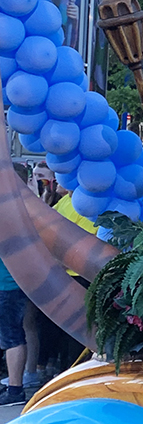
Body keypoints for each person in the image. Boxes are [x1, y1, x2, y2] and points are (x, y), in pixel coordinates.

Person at [0, 164, 35, 405]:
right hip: (11, 281)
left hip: (9, 282)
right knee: (11, 334)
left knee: (12, 335)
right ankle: (14, 386)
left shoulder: (13, 210)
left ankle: (15, 390)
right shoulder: (18, 207)